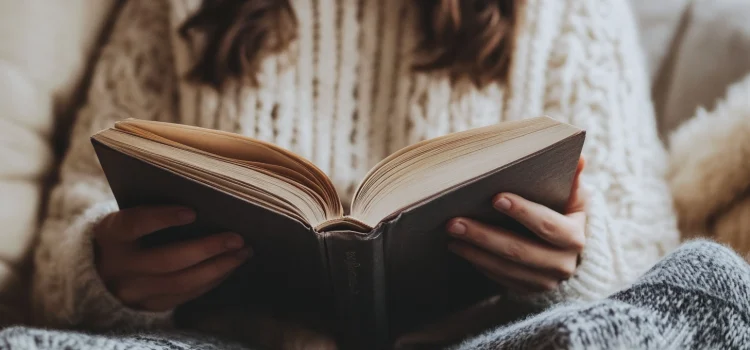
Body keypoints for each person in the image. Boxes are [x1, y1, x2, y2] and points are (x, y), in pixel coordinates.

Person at [31, 0, 680, 348]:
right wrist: (105, 275)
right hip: (226, 346)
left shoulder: (570, 10)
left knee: (715, 280)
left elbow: (648, 249)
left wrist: (574, 267)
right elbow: (73, 219)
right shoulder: (176, 9)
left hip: (490, 344)